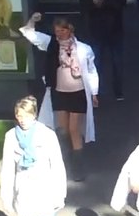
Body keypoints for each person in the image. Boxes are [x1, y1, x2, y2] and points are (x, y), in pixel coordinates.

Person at [20, 12, 99, 179]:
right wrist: (33, 20)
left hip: (77, 92)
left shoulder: (83, 49)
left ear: (70, 29)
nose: (59, 35)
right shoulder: (51, 44)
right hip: (59, 93)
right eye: (57, 32)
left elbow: (91, 71)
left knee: (73, 129)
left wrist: (94, 93)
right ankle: (64, 161)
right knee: (62, 130)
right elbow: (29, 33)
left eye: (62, 31)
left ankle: (78, 166)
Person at [0, 96, 67, 216]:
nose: (22, 120)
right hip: (24, 191)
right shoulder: (11, 137)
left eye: (26, 116)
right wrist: (7, 197)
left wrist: (60, 193)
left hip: (45, 190)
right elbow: (8, 168)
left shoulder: (46, 135)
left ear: (34, 115)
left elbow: (57, 165)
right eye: (19, 116)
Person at [82, 0, 129, 100]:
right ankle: (97, 92)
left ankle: (118, 91)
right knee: (96, 63)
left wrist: (104, 3)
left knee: (117, 62)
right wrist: (94, 4)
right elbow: (84, 4)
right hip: (97, 30)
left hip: (115, 30)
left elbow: (121, 3)